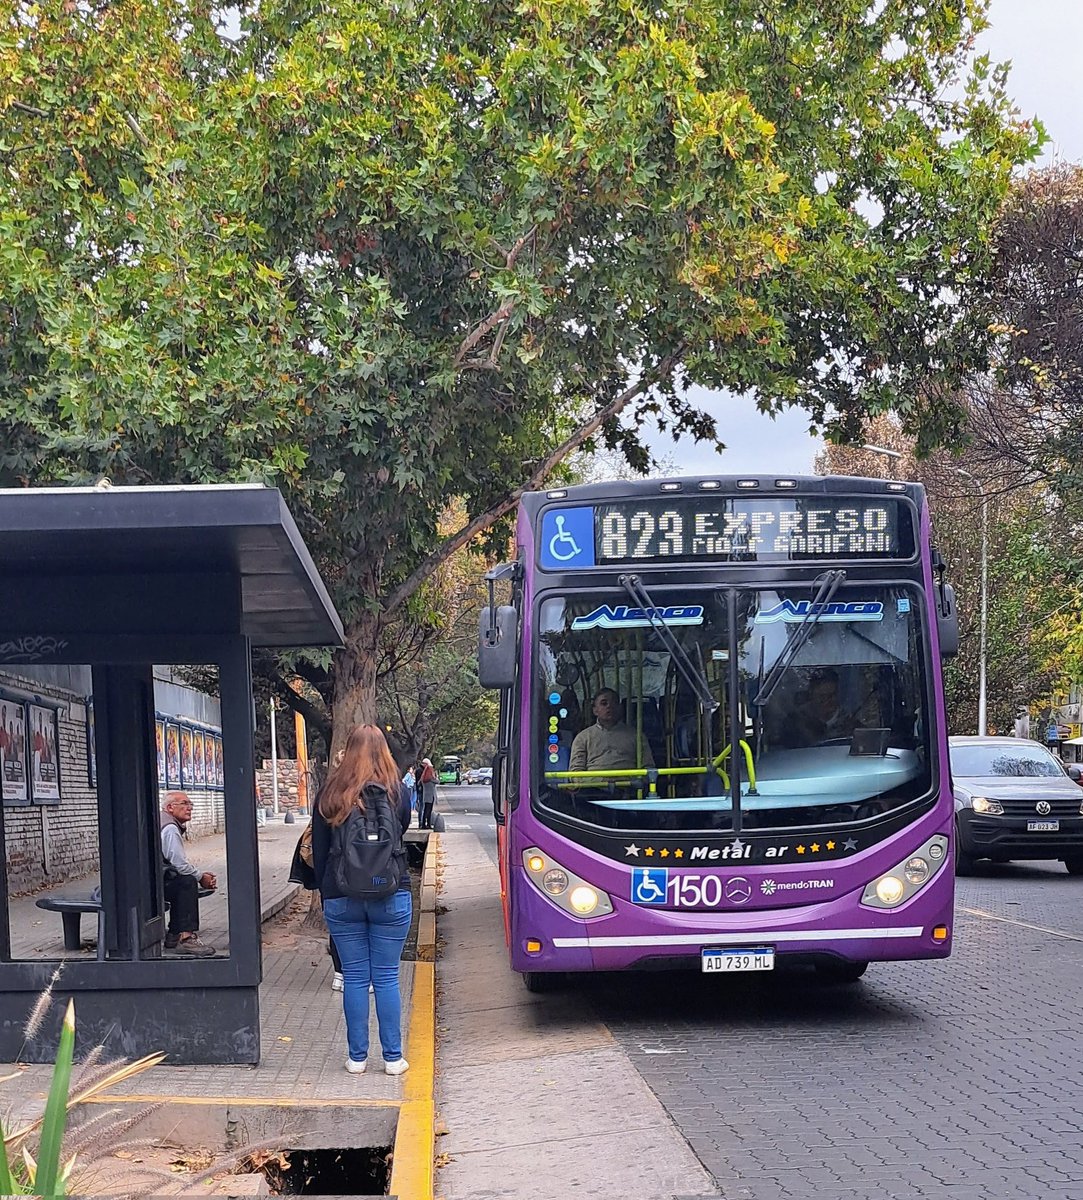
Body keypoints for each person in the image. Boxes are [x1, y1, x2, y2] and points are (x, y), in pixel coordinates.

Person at [311, 724, 412, 1076]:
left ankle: (356, 1059)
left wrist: (327, 895)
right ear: (384, 751)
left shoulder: (330, 792)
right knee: (386, 977)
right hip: (391, 891)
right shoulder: (399, 792)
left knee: (354, 977)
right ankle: (393, 1058)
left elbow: (321, 851)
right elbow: (402, 832)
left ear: (348, 750)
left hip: (341, 894)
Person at [160, 791, 217, 957]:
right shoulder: (170, 828)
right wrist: (201, 877)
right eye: (184, 804)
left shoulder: (164, 821)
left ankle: (173, 935)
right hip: (150, 884)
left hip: (150, 879)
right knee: (187, 883)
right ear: (170, 807)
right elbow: (180, 864)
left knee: (182, 880)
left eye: (190, 804)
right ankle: (186, 937)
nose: (189, 808)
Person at [569, 688, 655, 774]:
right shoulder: (583, 738)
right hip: (593, 786)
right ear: (595, 710)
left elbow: (648, 768)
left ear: (620, 707)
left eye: (614, 703)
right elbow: (576, 771)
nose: (609, 706)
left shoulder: (636, 736)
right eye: (604, 703)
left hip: (629, 785)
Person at [791, 668, 859, 745]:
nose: (827, 701)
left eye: (832, 695)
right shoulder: (795, 721)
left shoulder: (851, 722)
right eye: (822, 697)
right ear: (811, 695)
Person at [418, 758, 438, 829]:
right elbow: (437, 781)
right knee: (428, 811)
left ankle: (424, 823)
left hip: (425, 796)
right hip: (430, 796)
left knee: (425, 810)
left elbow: (419, 783)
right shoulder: (431, 779)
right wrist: (435, 776)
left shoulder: (423, 780)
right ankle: (428, 824)